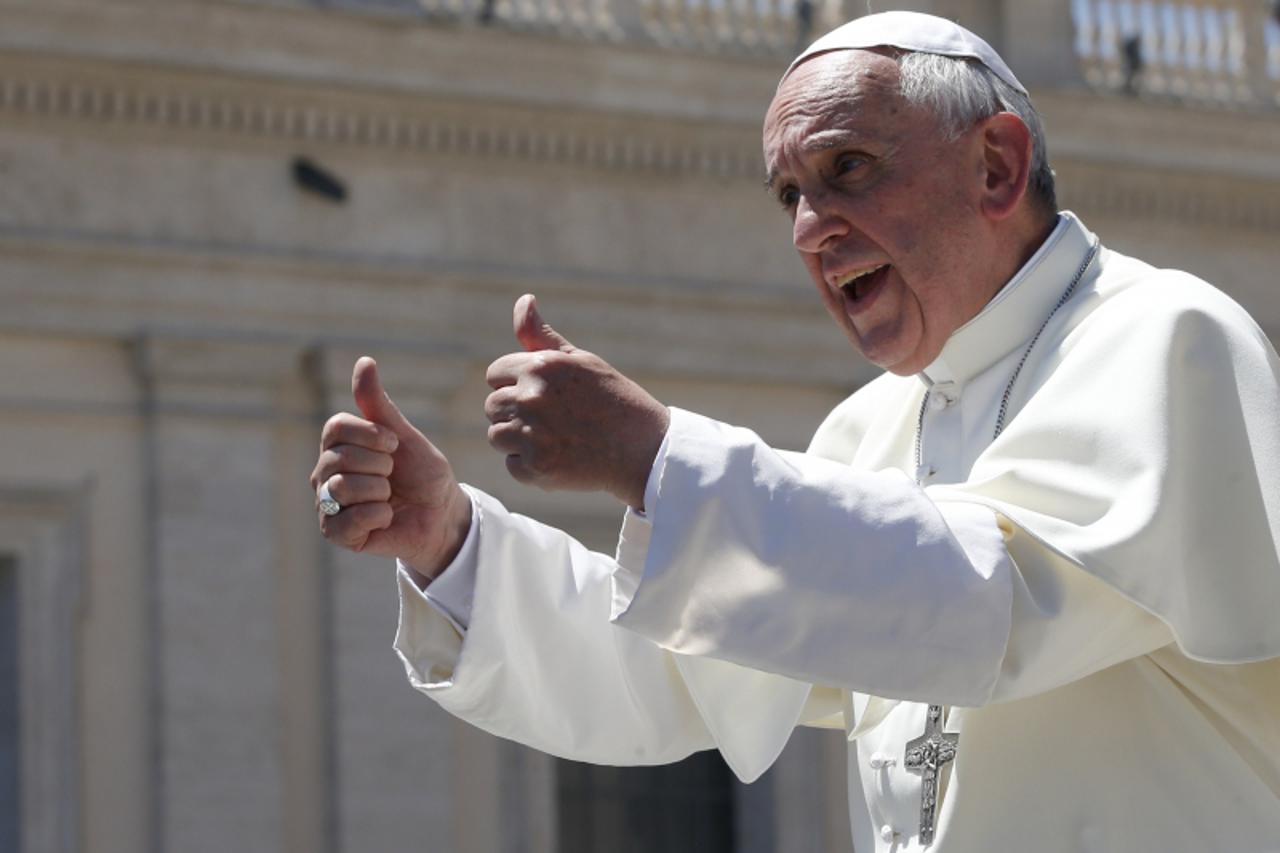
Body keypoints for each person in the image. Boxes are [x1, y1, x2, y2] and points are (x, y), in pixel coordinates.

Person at [311, 12, 1280, 851]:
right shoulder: (868, 430)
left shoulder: (1164, 338)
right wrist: (450, 542)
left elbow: (993, 597)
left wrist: (654, 455)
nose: (810, 227)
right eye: (789, 195)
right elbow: (672, 673)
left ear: (994, 165)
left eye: (846, 168)